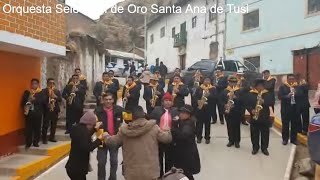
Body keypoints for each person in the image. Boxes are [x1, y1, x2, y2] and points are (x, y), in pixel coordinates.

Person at [105, 106, 172, 180]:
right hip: (150, 171)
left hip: (131, 172)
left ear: (132, 116)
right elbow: (167, 139)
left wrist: (106, 136)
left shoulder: (124, 131)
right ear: (143, 114)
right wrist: (168, 131)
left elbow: (112, 143)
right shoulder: (154, 128)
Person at [65, 112, 105, 180]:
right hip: (77, 169)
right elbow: (88, 147)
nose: (93, 126)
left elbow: (85, 137)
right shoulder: (83, 132)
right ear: (89, 124)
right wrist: (99, 140)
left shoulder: (78, 129)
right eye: (93, 125)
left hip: (73, 168)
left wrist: (95, 130)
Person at [95, 93, 124, 180]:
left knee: (114, 162)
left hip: (114, 139)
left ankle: (112, 178)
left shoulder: (119, 110)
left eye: (110, 99)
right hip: (102, 140)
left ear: (113, 100)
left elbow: (129, 115)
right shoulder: (97, 110)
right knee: (101, 163)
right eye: (106, 99)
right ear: (103, 101)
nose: (108, 101)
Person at [150, 92, 179, 177]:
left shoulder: (175, 111)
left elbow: (178, 124)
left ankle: (168, 176)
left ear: (172, 102)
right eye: (166, 100)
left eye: (169, 100)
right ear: (162, 102)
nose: (167, 102)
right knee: (159, 158)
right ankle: (159, 175)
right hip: (159, 137)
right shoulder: (156, 110)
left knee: (169, 159)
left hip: (170, 138)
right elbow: (152, 122)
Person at [171, 104, 201, 180]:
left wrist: (174, 128)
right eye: (181, 112)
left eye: (183, 113)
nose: (180, 114)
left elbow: (183, 135)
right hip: (185, 154)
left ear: (188, 115)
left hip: (186, 156)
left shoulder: (188, 124)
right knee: (185, 174)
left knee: (186, 174)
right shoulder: (183, 122)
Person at [246, 79, 273, 156]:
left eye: (261, 86)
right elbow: (247, 104)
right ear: (256, 86)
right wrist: (251, 110)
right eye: (258, 86)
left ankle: (264, 148)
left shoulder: (267, 93)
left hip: (264, 117)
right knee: (254, 133)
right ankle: (255, 148)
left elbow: (271, 102)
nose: (260, 87)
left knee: (265, 133)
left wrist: (263, 101)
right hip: (254, 117)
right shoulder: (250, 94)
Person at [278, 74, 301, 145]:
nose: (291, 80)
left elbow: (301, 95)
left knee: (294, 124)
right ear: (287, 79)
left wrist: (296, 93)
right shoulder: (282, 87)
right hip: (285, 109)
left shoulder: (297, 86)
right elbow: (280, 96)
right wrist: (287, 96)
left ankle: (293, 139)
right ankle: (285, 139)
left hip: (295, 108)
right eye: (290, 79)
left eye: (293, 79)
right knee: (285, 125)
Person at [21, 79, 44, 148]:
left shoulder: (41, 93)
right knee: (28, 129)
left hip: (38, 113)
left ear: (38, 84)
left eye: (35, 83)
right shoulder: (27, 92)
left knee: (37, 128)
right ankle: (28, 142)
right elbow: (22, 103)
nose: (34, 85)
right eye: (32, 83)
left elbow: (43, 102)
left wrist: (35, 100)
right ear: (31, 84)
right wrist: (28, 100)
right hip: (29, 113)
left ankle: (36, 142)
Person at [222, 76, 243, 148]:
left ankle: (237, 141)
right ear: (229, 82)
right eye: (231, 82)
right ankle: (231, 140)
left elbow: (243, 101)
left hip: (237, 111)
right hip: (228, 111)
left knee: (237, 126)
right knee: (229, 126)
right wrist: (224, 105)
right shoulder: (225, 91)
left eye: (234, 82)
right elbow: (220, 100)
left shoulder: (239, 91)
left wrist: (235, 98)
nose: (233, 83)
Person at [195, 77, 217, 144]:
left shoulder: (213, 89)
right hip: (200, 108)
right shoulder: (199, 88)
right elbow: (195, 96)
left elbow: (215, 97)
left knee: (207, 124)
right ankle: (199, 137)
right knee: (199, 124)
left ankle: (207, 137)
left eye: (208, 80)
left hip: (208, 108)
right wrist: (198, 101)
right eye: (205, 80)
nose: (207, 81)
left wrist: (209, 95)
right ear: (203, 81)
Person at [42, 78, 62, 144]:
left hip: (55, 109)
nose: (51, 84)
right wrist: (49, 98)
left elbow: (60, 99)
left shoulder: (57, 91)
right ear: (47, 83)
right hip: (47, 109)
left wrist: (55, 96)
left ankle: (52, 137)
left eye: (53, 83)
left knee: (54, 125)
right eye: (50, 83)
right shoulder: (44, 91)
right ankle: (44, 139)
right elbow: (43, 100)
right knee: (45, 125)